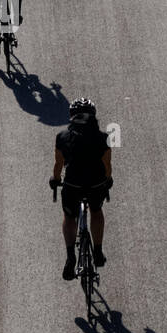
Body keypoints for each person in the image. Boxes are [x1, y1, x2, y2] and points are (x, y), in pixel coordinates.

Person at [49, 98, 113, 281]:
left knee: (69, 217)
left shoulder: (62, 137)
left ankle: (70, 256)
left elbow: (58, 165)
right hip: (95, 184)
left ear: (71, 116)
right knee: (96, 210)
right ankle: (98, 252)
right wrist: (107, 180)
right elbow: (107, 165)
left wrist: (55, 179)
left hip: (73, 185)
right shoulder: (102, 138)